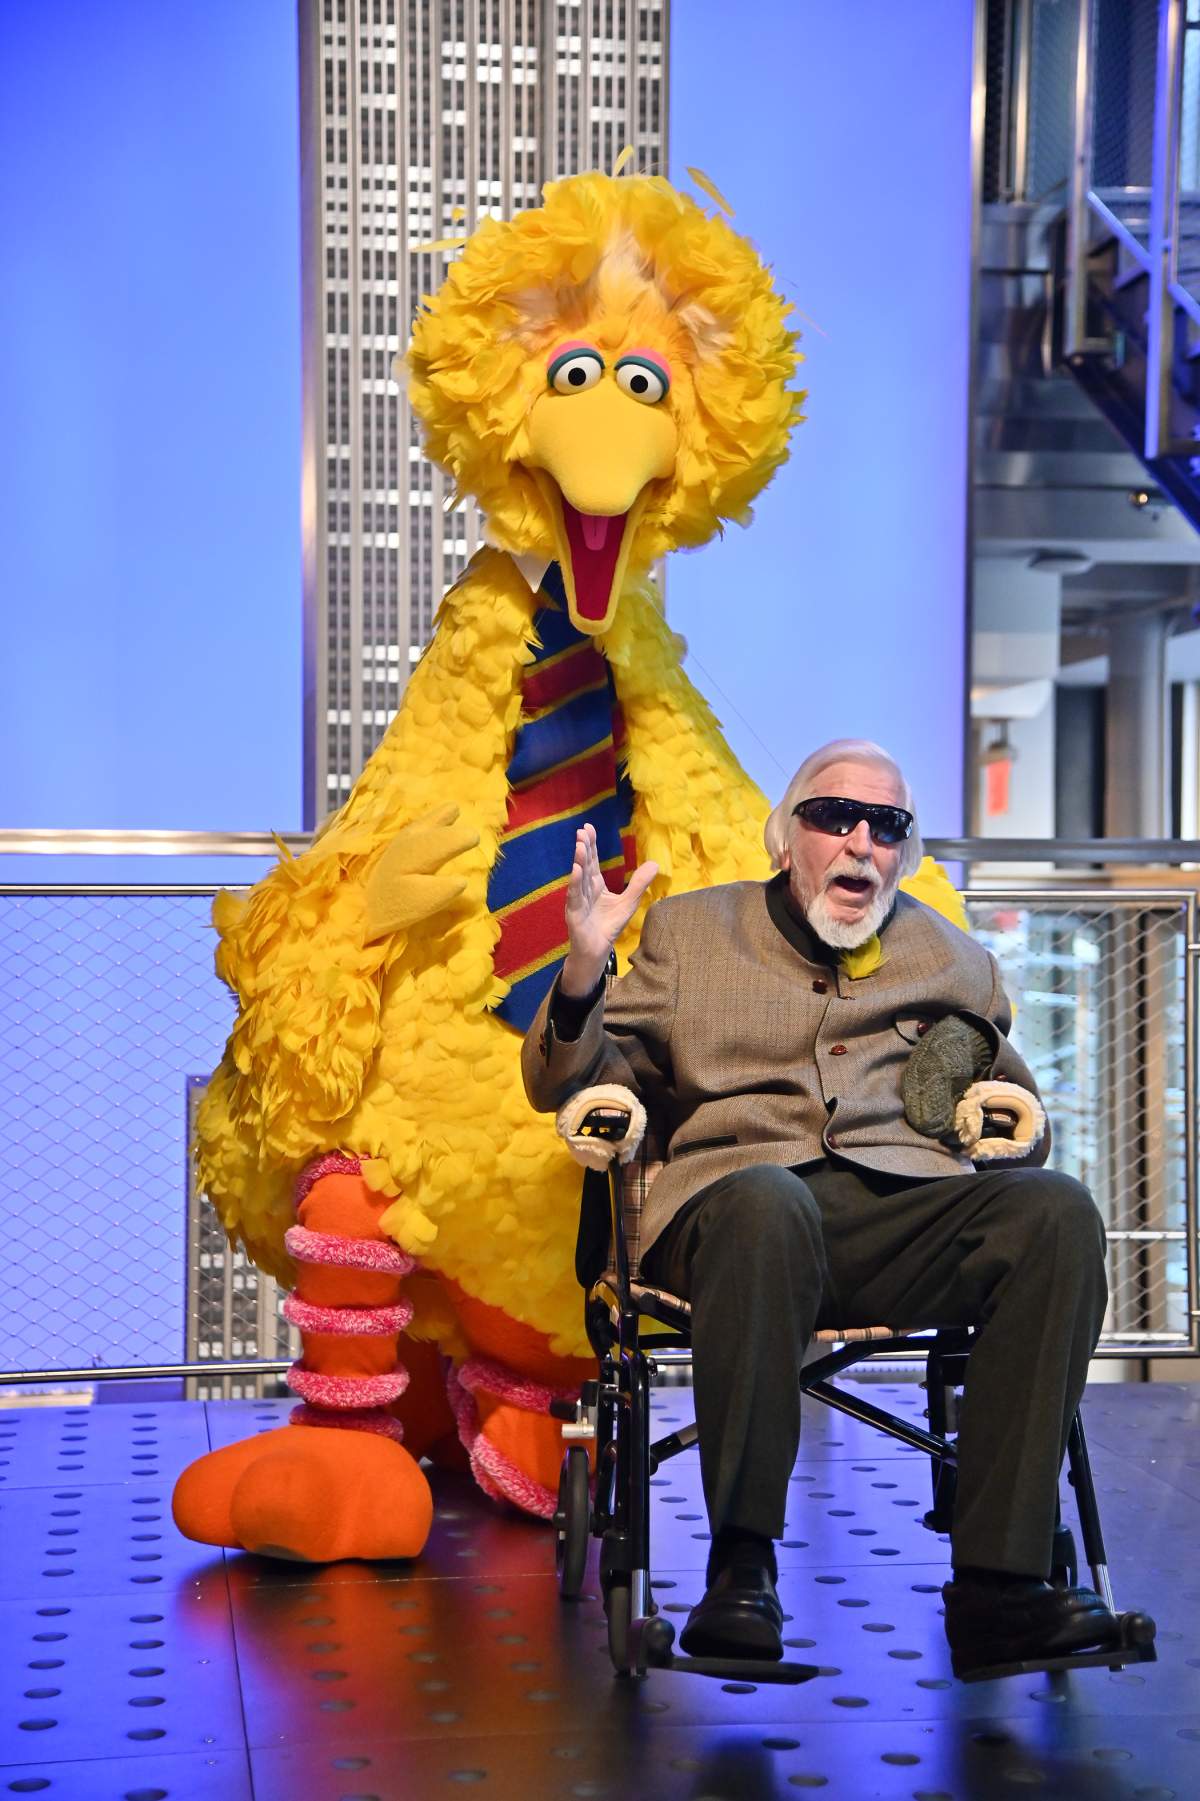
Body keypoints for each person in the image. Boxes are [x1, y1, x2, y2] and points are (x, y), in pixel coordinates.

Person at [521, 738, 1122, 1678]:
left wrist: (1011, 1117)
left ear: (904, 852)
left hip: (893, 1216)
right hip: (730, 1214)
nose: (860, 842)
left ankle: (1003, 1590)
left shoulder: (953, 957)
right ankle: (742, 1571)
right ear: (784, 838)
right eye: (834, 817)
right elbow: (567, 1078)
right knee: (768, 1205)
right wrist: (584, 971)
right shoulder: (689, 936)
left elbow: (1013, 1100)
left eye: (886, 826)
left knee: (1055, 1214)